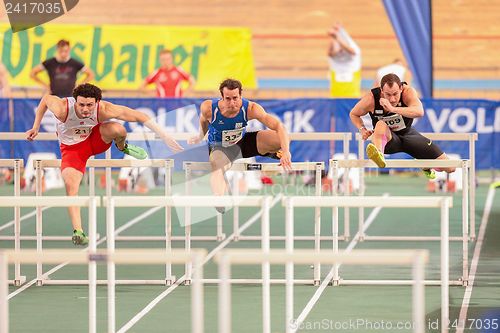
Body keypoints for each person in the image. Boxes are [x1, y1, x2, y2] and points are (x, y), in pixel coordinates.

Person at [25, 83, 183, 245]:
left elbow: (139, 116)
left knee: (118, 129)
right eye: (81, 105)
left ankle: (123, 147)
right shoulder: (62, 109)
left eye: (89, 105)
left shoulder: (104, 109)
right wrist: (35, 126)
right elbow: (45, 99)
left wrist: (165, 136)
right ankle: (78, 231)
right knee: (71, 186)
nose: (85, 109)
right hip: (72, 150)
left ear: (97, 103)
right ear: (75, 101)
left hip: (95, 140)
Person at [189, 78, 291, 213]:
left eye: (235, 98)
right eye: (228, 99)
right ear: (222, 97)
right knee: (218, 167)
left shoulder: (251, 108)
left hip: (242, 143)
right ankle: (219, 198)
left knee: (283, 138)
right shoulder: (209, 108)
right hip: (220, 147)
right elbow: (203, 120)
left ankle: (271, 151)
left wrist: (286, 152)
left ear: (241, 95)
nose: (232, 103)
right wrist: (200, 136)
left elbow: (279, 126)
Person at [349, 73, 455, 178]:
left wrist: (392, 109)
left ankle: (426, 164)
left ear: (401, 88)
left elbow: (419, 111)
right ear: (381, 91)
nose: (392, 99)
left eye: (395, 94)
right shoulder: (371, 98)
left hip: (408, 136)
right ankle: (378, 154)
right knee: (380, 124)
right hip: (388, 140)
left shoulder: (408, 92)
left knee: (450, 168)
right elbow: (354, 114)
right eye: (388, 94)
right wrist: (362, 129)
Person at [30, 39, 94, 97]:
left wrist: (79, 85)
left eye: (65, 51)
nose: (63, 54)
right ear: (57, 49)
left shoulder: (75, 63)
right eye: (61, 51)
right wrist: (45, 86)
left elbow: (91, 74)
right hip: (53, 96)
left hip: (70, 96)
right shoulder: (49, 62)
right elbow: (33, 73)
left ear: (69, 50)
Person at [327, 23, 362, 98]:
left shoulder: (355, 53)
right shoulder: (334, 57)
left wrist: (337, 37)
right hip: (336, 97)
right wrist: (333, 37)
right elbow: (329, 53)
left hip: (352, 97)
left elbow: (352, 51)